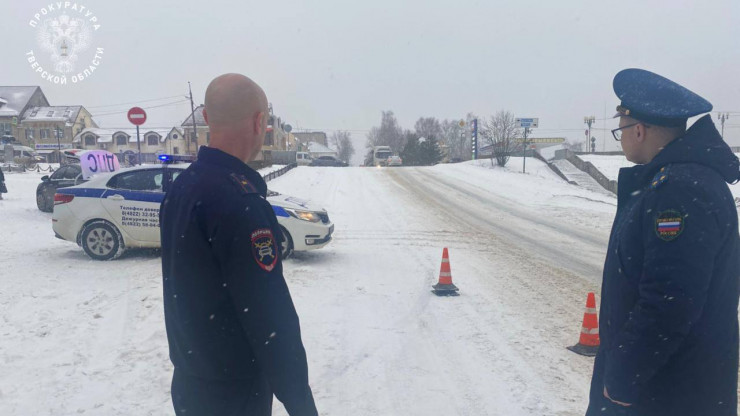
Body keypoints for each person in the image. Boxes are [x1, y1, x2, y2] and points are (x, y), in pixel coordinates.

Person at [160, 73, 318, 416]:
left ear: (206, 117)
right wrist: (300, 402)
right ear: (259, 121)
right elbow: (269, 316)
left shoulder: (182, 188)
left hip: (190, 383)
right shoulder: (240, 201)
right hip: (233, 392)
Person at [586, 68, 740, 416]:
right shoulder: (678, 181)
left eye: (621, 128)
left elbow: (670, 300)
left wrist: (623, 378)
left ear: (638, 130)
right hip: (671, 388)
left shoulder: (679, 190)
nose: (621, 137)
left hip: (664, 394)